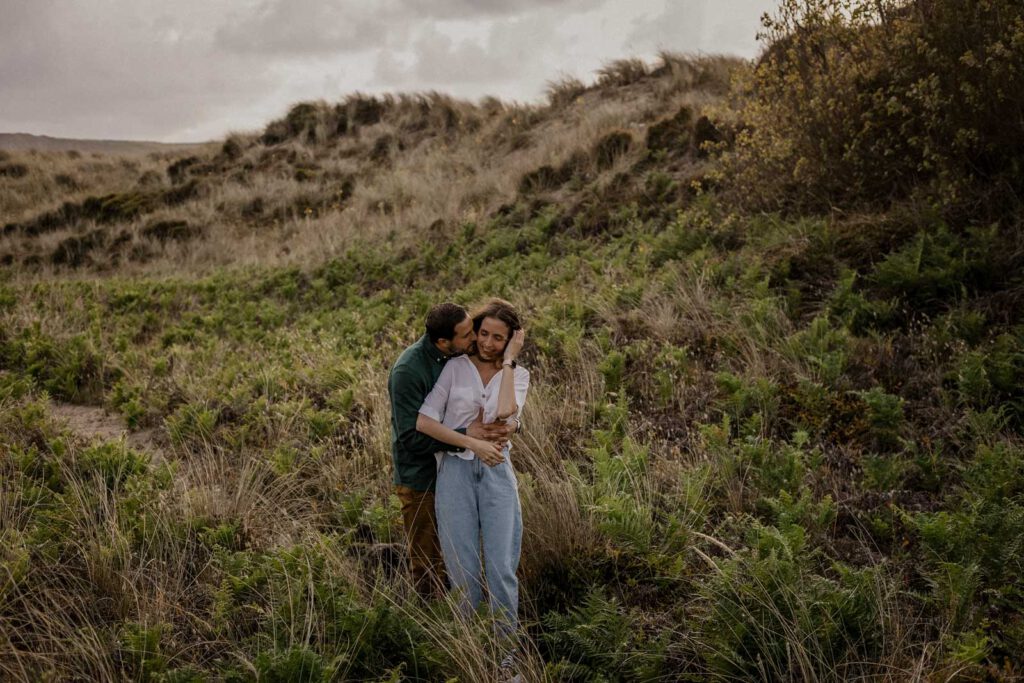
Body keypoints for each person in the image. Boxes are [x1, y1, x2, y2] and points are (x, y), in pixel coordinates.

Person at [415, 299, 529, 654]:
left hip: (497, 471)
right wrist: (471, 439)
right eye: (483, 334)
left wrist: (508, 362)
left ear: (511, 340)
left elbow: (508, 411)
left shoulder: (519, 375)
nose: (488, 343)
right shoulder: (454, 368)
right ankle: (470, 652)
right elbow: (424, 422)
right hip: (455, 474)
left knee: (501, 570)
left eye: (499, 338)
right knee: (462, 571)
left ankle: (506, 658)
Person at [388, 303, 513, 599]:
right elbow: (410, 437)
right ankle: (438, 630)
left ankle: (470, 619)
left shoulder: (458, 355)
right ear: (444, 341)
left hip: (460, 469)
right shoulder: (408, 370)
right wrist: (466, 437)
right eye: (469, 334)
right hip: (422, 478)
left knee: (463, 555)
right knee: (430, 562)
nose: (476, 340)